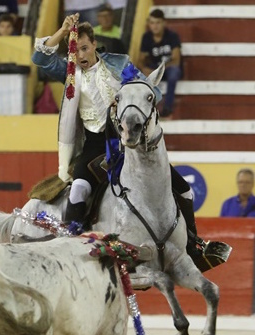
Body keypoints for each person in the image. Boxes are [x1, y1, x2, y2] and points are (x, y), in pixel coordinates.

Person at [31, 13, 204, 258]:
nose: (80, 55)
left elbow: (153, 92)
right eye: (74, 51)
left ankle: (193, 243)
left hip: (128, 142)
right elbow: (39, 58)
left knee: (184, 189)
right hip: (94, 145)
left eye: (84, 48)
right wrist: (62, 31)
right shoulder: (69, 73)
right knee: (78, 190)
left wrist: (126, 99)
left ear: (94, 44)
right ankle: (71, 249)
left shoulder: (119, 64)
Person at [138, 8, 182, 119]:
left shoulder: (172, 36)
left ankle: (167, 107)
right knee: (138, 75)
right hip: (154, 68)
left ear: (164, 23)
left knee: (174, 72)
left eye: (158, 23)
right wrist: (143, 68)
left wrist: (159, 70)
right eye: (152, 23)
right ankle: (144, 110)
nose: (155, 26)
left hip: (168, 68)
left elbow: (176, 60)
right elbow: (140, 60)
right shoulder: (146, 37)